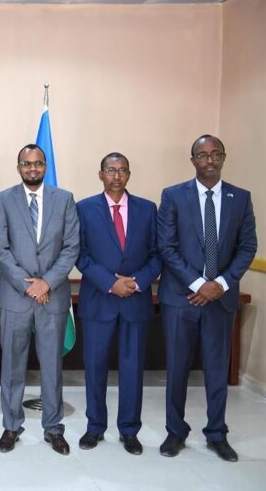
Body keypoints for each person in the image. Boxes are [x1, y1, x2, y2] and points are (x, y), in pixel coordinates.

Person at [157, 135, 257, 462]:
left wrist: (221, 284)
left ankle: (216, 434)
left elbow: (247, 247)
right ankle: (175, 431)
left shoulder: (240, 198)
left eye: (215, 154)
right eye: (202, 155)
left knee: (216, 369)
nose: (209, 160)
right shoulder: (173, 196)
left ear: (224, 157)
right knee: (177, 368)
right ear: (193, 161)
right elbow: (167, 247)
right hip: (181, 298)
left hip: (220, 300)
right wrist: (200, 283)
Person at [0, 144, 79, 455]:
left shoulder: (64, 199)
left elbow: (71, 247)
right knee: (12, 366)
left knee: (52, 367)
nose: (32, 169)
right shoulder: (3, 200)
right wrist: (26, 284)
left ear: (45, 166)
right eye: (26, 164)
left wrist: (47, 283)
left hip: (52, 298)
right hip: (17, 297)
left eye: (38, 164)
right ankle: (11, 425)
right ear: (18, 168)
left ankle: (53, 428)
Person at [75, 152, 160, 455]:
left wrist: (137, 282)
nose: (116, 175)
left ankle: (129, 430)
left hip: (135, 301)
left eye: (122, 170)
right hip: (99, 300)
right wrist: (111, 282)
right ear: (101, 175)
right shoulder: (84, 209)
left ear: (129, 174)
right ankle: (95, 427)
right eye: (111, 170)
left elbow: (157, 254)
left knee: (133, 368)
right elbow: (80, 254)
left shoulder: (148, 209)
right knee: (95, 368)